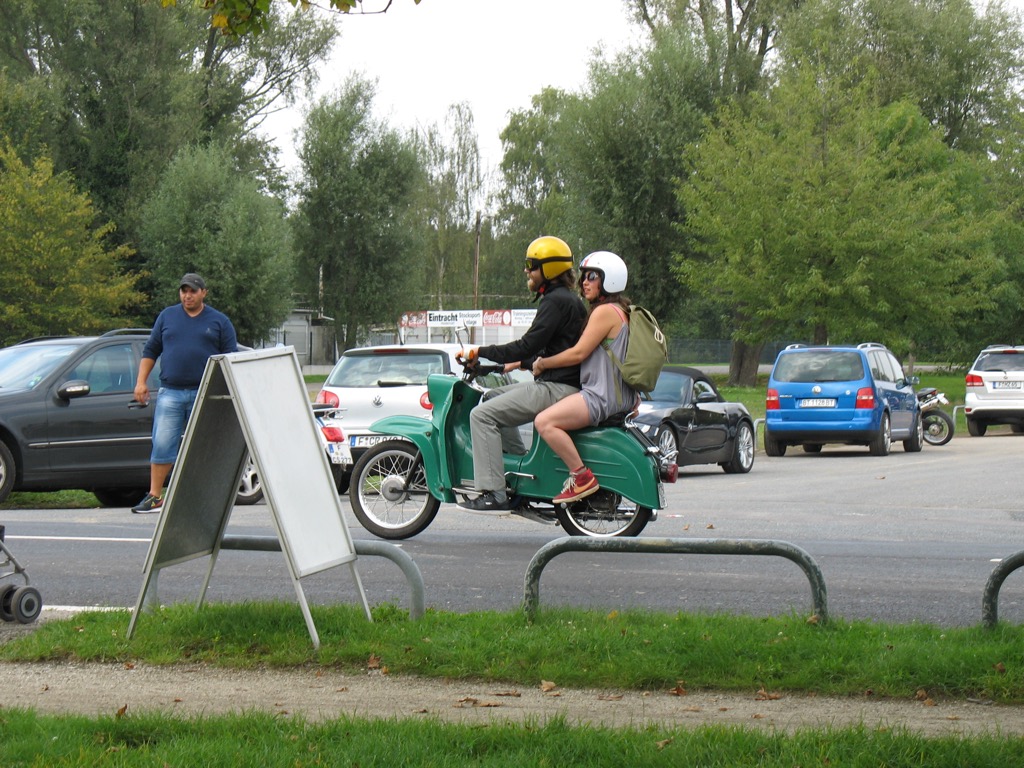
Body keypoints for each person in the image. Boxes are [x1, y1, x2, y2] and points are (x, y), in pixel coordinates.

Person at [459, 236, 587, 512]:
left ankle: (494, 492)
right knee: (492, 396)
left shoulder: (555, 301)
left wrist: (480, 350)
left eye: (531, 265)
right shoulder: (565, 300)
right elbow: (541, 350)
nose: (526, 271)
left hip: (557, 389)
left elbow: (528, 345)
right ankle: (517, 477)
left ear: (549, 269)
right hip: (561, 385)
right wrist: (495, 366)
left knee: (481, 416)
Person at [531, 251, 639, 503]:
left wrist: (543, 364)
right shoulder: (623, 311)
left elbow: (578, 353)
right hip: (620, 397)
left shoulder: (605, 312)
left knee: (544, 422)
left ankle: (581, 477)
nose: (584, 282)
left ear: (609, 280)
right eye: (583, 277)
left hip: (599, 397)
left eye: (592, 276)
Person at [131, 273, 238, 513]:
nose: (187, 295)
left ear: (204, 293)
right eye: (184, 291)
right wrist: (141, 382)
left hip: (206, 393)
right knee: (162, 444)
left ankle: (203, 499)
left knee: (202, 447)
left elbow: (230, 358)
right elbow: (151, 350)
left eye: (193, 291)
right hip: (171, 392)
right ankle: (155, 496)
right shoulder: (167, 317)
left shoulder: (219, 321)